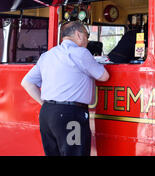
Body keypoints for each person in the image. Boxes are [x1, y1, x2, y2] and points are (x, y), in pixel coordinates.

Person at [21, 21, 109, 156]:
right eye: (87, 35)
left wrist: (44, 103)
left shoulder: (47, 55)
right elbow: (104, 76)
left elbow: (27, 82)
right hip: (71, 115)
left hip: (47, 114)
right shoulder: (81, 53)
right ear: (79, 35)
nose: (87, 39)